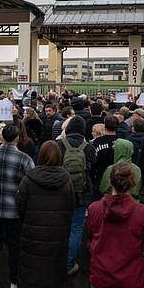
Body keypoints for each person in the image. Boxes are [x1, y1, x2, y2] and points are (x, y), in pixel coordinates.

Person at [0, 124, 35, 288]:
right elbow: (31, 183)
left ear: (2, 136)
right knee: (15, 246)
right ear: (17, 138)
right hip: (14, 210)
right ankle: (13, 280)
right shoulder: (25, 159)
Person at [14, 141, 74, 288]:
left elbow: (20, 205)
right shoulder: (66, 179)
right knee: (55, 272)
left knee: (31, 271)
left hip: (33, 233)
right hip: (58, 234)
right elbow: (71, 205)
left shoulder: (28, 179)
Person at [87, 162, 144, 288]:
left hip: (101, 276)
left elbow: (90, 236)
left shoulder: (94, 209)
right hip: (132, 278)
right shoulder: (142, 212)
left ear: (110, 181)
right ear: (133, 183)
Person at [56, 116, 97, 275]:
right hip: (82, 192)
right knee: (76, 228)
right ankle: (69, 264)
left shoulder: (59, 145)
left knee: (60, 227)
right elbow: (93, 170)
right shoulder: (89, 147)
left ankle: (57, 259)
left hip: (61, 191)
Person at [90, 114, 119, 200]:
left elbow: (92, 162)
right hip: (118, 179)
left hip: (100, 178)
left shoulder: (96, 143)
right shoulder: (122, 142)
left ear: (105, 126)